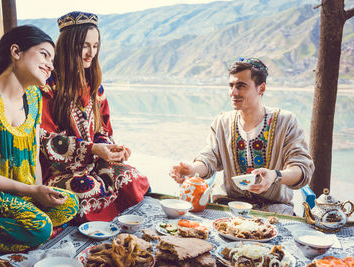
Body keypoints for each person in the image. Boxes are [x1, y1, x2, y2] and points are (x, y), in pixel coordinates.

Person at [0, 25, 79, 252]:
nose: (51, 65)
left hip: (19, 193)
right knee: (39, 227)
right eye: (44, 54)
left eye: (52, 60)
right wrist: (30, 192)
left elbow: (32, 155)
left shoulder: (34, 97)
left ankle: (13, 225)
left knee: (69, 204)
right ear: (16, 52)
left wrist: (39, 190)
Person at [39, 11, 150, 222]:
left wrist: (112, 150)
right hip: (58, 170)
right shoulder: (48, 85)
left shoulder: (95, 87)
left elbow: (103, 131)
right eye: (85, 46)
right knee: (87, 189)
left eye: (96, 45)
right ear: (69, 46)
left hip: (94, 162)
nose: (91, 53)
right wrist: (90, 149)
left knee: (131, 178)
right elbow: (44, 140)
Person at [170, 58, 314, 215]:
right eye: (231, 86)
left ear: (261, 88)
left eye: (241, 86)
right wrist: (192, 169)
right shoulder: (222, 122)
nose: (233, 93)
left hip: (274, 208)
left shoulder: (286, 122)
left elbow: (301, 169)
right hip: (229, 205)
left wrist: (275, 175)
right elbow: (209, 158)